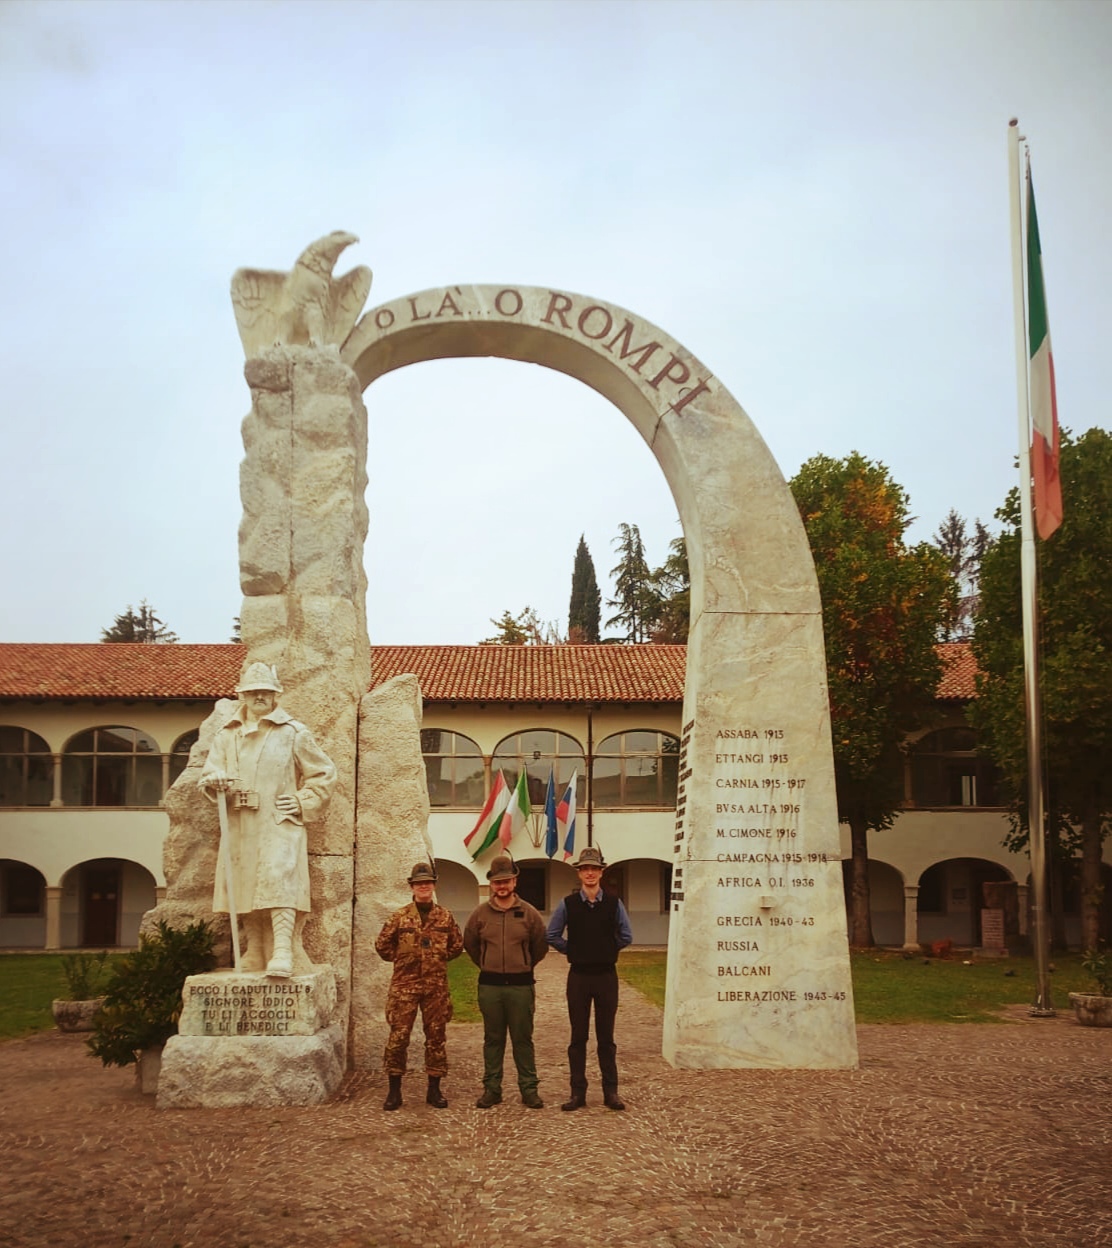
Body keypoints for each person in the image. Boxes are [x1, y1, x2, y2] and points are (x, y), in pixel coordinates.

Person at [199, 661, 336, 978]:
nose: (259, 696)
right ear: (242, 695)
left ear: (276, 695)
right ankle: (255, 949)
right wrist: (216, 781)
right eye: (252, 692)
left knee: (279, 881)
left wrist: (301, 800)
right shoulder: (226, 735)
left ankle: (283, 951)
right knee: (245, 883)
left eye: (265, 691)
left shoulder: (293, 732)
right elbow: (208, 775)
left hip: (278, 822)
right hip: (240, 822)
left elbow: (323, 773)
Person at [545, 845, 633, 1111]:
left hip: (606, 976)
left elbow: (627, 936)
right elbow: (552, 935)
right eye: (585, 869)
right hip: (579, 977)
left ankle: (611, 1092)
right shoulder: (568, 904)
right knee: (578, 1037)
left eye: (594, 869)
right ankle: (577, 1093)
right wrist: (574, 950)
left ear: (601, 872)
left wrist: (605, 949)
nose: (590, 873)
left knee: (606, 1038)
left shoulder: (614, 903)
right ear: (579, 874)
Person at [374, 862, 464, 1111]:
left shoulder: (444, 916)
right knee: (398, 1038)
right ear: (412, 887)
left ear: (433, 885)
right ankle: (394, 1092)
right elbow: (382, 945)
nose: (424, 887)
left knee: (436, 1038)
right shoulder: (400, 916)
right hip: (405, 987)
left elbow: (457, 945)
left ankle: (434, 1090)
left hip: (435, 987)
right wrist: (404, 960)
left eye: (428, 882)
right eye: (419, 883)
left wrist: (437, 958)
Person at [463, 854, 548, 1110]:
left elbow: (540, 945)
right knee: (493, 1039)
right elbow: (471, 944)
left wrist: (522, 965)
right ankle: (492, 1089)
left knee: (523, 1039)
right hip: (490, 987)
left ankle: (529, 1089)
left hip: (521, 987)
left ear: (515, 882)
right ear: (491, 884)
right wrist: (488, 964)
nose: (502, 886)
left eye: (507, 881)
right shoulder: (479, 914)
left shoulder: (530, 914)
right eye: (498, 882)